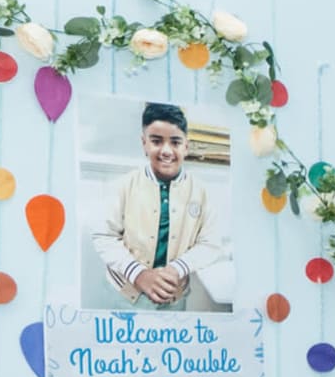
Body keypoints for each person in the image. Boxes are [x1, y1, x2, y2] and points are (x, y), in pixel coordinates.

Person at [92, 103, 239, 311]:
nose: (166, 151)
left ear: (186, 146)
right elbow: (104, 236)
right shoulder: (122, 186)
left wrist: (176, 269)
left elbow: (210, 243)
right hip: (124, 296)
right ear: (144, 144)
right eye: (156, 141)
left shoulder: (202, 193)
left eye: (176, 142)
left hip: (175, 297)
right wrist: (138, 274)